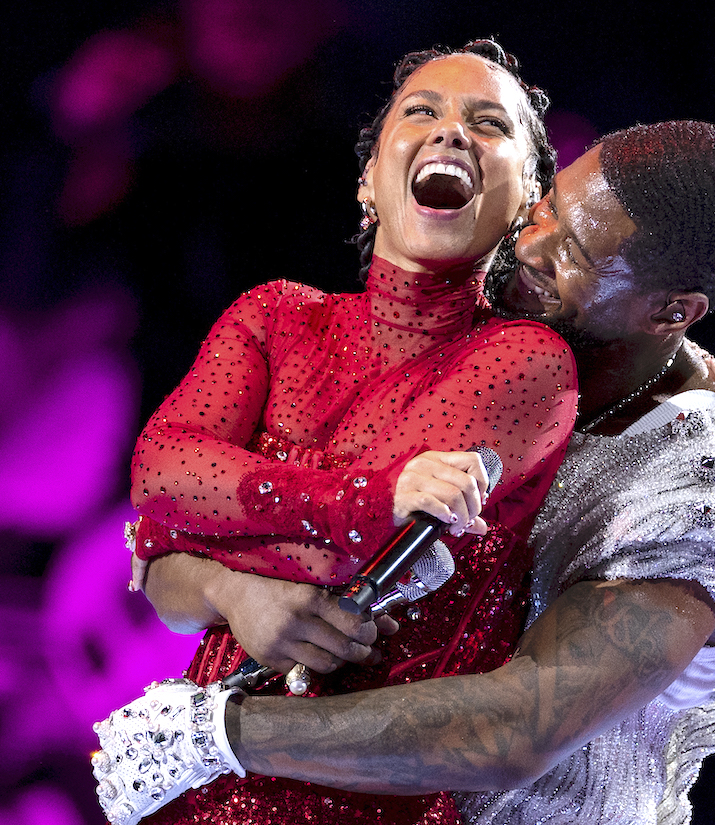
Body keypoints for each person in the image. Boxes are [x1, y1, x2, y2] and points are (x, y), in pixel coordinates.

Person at [114, 120, 715, 825]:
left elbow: (515, 729)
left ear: (672, 311)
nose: (528, 245)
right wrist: (231, 588)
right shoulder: (481, 315)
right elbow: (170, 531)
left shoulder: (696, 506)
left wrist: (218, 733)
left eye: (574, 254)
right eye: (550, 205)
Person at [93, 40, 580, 825]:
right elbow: (159, 476)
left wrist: (184, 548)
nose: (452, 131)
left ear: (528, 200)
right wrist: (229, 589)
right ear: (368, 179)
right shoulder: (274, 316)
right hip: (199, 786)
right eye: (422, 111)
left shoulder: (525, 360)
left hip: (368, 799)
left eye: (488, 125)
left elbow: (346, 561)